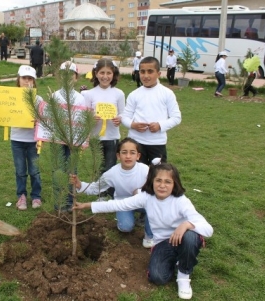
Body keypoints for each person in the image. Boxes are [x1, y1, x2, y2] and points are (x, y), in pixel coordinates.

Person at [73, 162, 213, 300]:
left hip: (182, 238)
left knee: (190, 236)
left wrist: (186, 225)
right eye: (158, 180)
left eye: (167, 182)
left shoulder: (181, 201)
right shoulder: (146, 197)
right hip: (163, 242)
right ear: (151, 181)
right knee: (157, 277)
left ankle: (183, 275)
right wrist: (88, 205)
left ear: (174, 184)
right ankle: (180, 258)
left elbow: (208, 228)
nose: (162, 185)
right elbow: (119, 204)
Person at [70, 137, 153, 248]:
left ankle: (149, 236)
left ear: (138, 156)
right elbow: (96, 188)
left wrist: (139, 191)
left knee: (155, 207)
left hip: (142, 202)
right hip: (122, 203)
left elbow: (154, 190)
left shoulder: (145, 170)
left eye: (132, 153)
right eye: (124, 152)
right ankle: (123, 219)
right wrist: (79, 184)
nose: (128, 156)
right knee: (126, 227)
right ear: (118, 156)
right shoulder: (112, 173)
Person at [122, 56, 181, 165]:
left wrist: (160, 125)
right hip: (136, 142)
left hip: (157, 143)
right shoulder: (134, 95)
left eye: (150, 72)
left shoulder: (167, 93)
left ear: (158, 74)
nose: (146, 76)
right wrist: (133, 125)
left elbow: (176, 117)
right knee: (138, 176)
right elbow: (125, 117)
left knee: (157, 174)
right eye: (142, 72)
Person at [81, 58, 125, 198]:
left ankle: (112, 193)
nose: (105, 76)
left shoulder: (119, 93)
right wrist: (91, 118)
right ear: (95, 73)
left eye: (108, 73)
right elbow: (85, 114)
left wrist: (120, 119)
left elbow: (123, 113)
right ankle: (101, 194)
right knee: (99, 166)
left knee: (111, 167)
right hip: (96, 137)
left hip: (112, 137)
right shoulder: (89, 94)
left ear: (114, 74)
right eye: (101, 73)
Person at [52, 61, 86, 212]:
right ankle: (59, 203)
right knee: (59, 170)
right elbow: (50, 117)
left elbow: (83, 119)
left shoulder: (80, 98)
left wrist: (81, 140)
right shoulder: (54, 96)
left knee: (72, 170)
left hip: (74, 142)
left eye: (71, 75)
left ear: (76, 77)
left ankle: (71, 201)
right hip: (58, 139)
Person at [13, 65, 42, 210]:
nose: (27, 81)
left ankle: (36, 196)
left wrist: (38, 119)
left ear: (34, 81)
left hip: (33, 140)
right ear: (18, 80)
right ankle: (21, 196)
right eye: (24, 78)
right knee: (20, 170)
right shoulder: (10, 97)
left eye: (30, 78)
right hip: (17, 139)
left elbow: (45, 118)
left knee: (34, 170)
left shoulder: (38, 99)